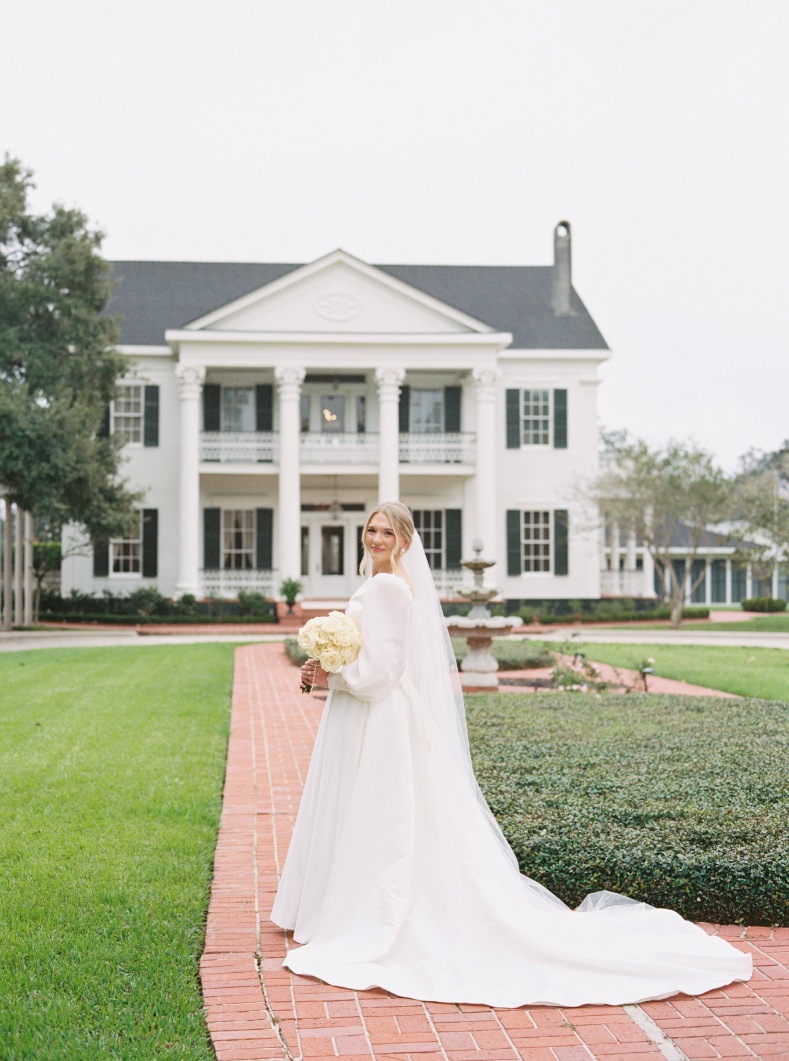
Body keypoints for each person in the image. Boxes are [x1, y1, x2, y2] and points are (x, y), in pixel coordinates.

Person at [271, 502, 751, 1007]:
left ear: (405, 541)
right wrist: (326, 664)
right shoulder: (379, 583)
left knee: (378, 816)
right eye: (370, 530)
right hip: (362, 714)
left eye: (386, 532)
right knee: (364, 812)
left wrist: (337, 675)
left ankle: (361, 913)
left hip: (379, 717)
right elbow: (367, 658)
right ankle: (340, 907)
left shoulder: (390, 586)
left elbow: (382, 674)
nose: (375, 538)